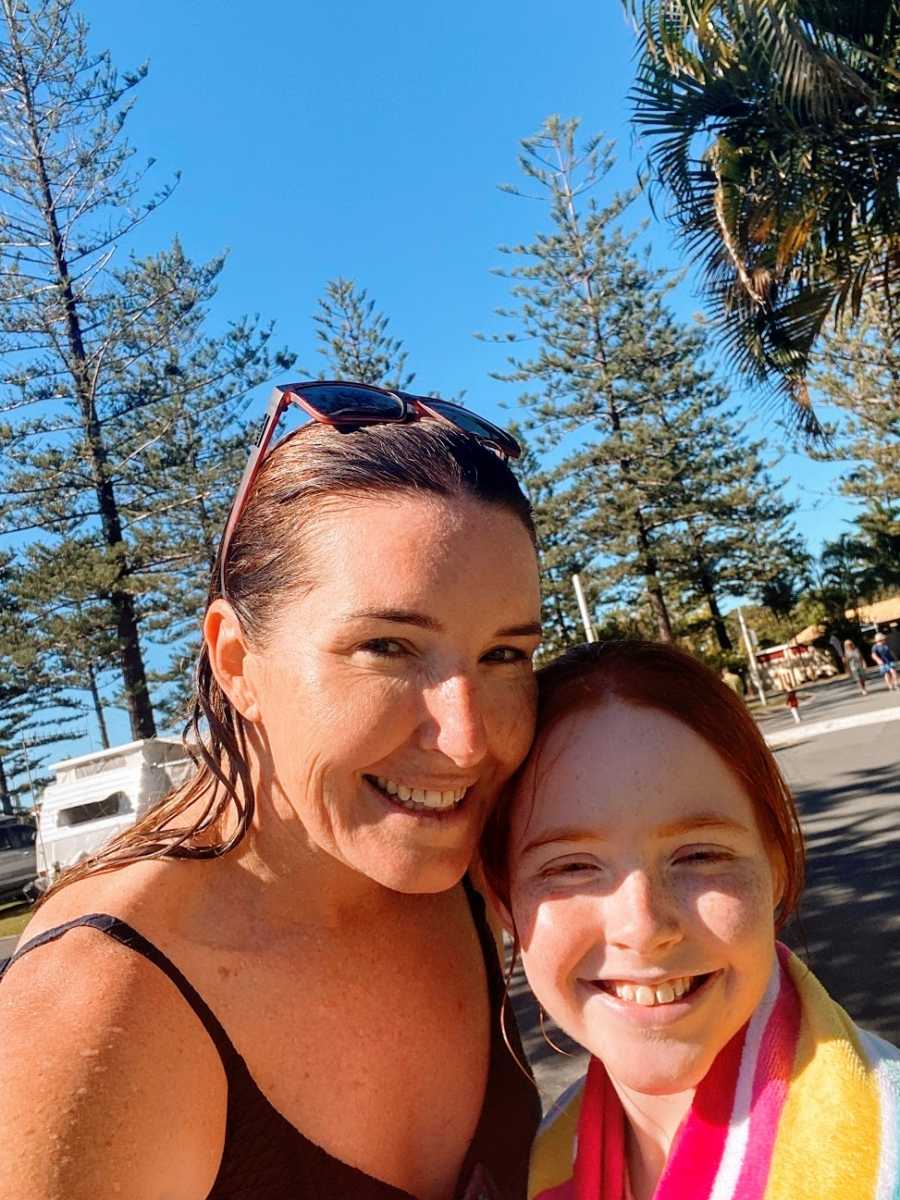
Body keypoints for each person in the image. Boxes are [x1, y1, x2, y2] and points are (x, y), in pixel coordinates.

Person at [0, 381, 545, 1200]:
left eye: (506, 655)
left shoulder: (466, 871)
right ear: (236, 662)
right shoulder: (99, 1010)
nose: (467, 739)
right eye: (389, 647)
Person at [481, 641, 900, 1200]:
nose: (645, 926)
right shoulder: (542, 1164)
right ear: (504, 900)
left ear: (776, 866)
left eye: (700, 855)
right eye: (572, 866)